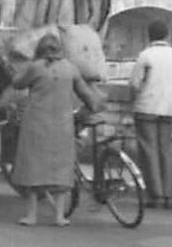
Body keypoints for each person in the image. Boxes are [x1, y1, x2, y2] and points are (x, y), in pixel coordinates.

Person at [6, 31, 101, 226]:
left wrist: (13, 69)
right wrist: (95, 107)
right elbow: (86, 94)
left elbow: (17, 83)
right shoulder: (71, 69)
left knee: (33, 167)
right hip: (62, 124)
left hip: (36, 123)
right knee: (60, 168)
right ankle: (59, 216)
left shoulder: (36, 67)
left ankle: (31, 216)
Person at [129, 21, 172, 209]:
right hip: (171, 107)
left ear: (150, 36)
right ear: (166, 36)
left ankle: (155, 194)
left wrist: (133, 101)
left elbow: (134, 84)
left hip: (147, 106)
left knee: (149, 150)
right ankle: (168, 195)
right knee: (166, 149)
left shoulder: (145, 56)